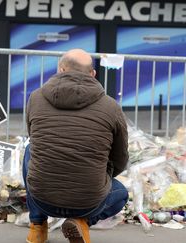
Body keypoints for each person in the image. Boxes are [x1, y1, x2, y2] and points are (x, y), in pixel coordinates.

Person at [24, 49, 129, 243]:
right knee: (121, 194)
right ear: (93, 74)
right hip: (89, 203)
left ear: (61, 69)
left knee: (31, 150)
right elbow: (120, 158)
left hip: (42, 199)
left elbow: (35, 138)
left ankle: (37, 227)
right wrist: (97, 175)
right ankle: (81, 222)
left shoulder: (36, 98)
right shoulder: (111, 106)